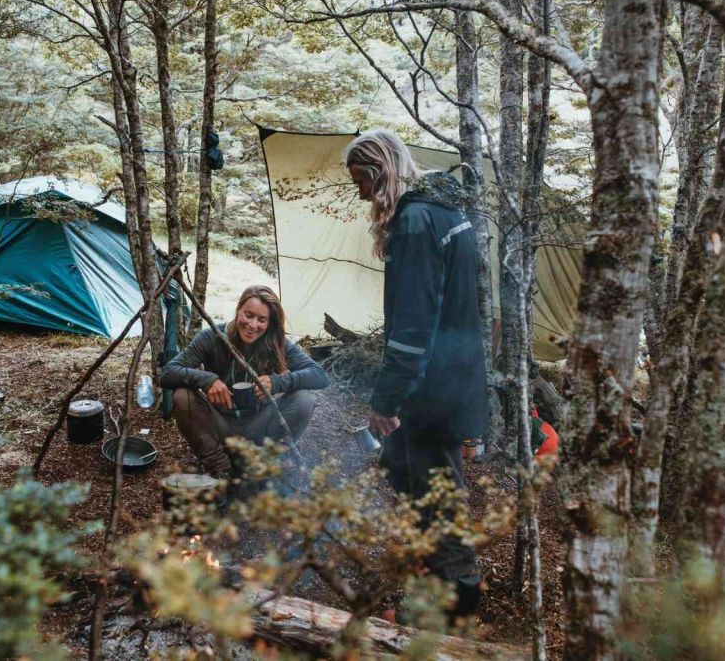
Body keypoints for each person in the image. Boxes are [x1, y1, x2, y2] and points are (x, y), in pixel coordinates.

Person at [345, 128, 489, 617]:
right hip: (451, 372)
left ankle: (455, 595)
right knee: (400, 467)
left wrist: (386, 401)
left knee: (436, 486)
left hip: (434, 385)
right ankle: (433, 568)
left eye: (360, 182)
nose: (359, 192)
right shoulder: (444, 210)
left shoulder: (417, 222)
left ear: (377, 172)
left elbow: (412, 326)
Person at [159, 284, 329, 479]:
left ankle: (266, 464)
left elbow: (320, 376)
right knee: (183, 396)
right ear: (238, 309)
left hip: (260, 426)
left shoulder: (276, 342)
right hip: (220, 426)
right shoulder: (213, 337)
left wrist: (278, 382)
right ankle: (219, 468)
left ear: (269, 322)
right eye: (249, 315)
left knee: (304, 399)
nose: (253, 325)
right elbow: (167, 373)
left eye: (262, 320)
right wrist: (207, 379)